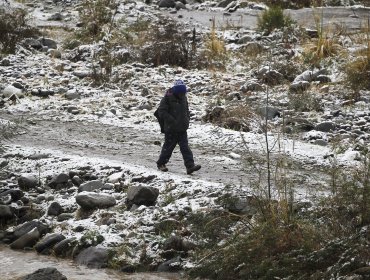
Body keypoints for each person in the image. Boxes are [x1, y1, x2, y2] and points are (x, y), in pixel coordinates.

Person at [156, 80, 201, 175]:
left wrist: (187, 120)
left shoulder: (184, 98)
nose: (182, 95)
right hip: (171, 129)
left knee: (185, 148)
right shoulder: (167, 98)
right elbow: (161, 112)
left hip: (182, 129)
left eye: (183, 93)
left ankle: (190, 166)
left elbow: (186, 110)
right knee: (168, 148)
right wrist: (172, 120)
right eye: (180, 93)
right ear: (176, 92)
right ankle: (161, 164)